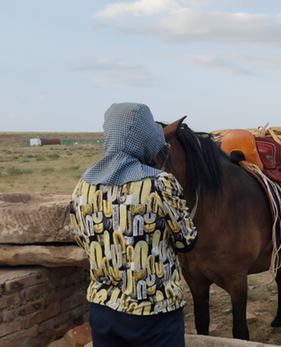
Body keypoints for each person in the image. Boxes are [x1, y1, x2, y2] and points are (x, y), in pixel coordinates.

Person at [68, 103, 197, 347]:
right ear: (146, 140)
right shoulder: (160, 184)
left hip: (102, 310)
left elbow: (82, 239)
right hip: (155, 315)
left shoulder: (83, 185)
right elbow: (186, 241)